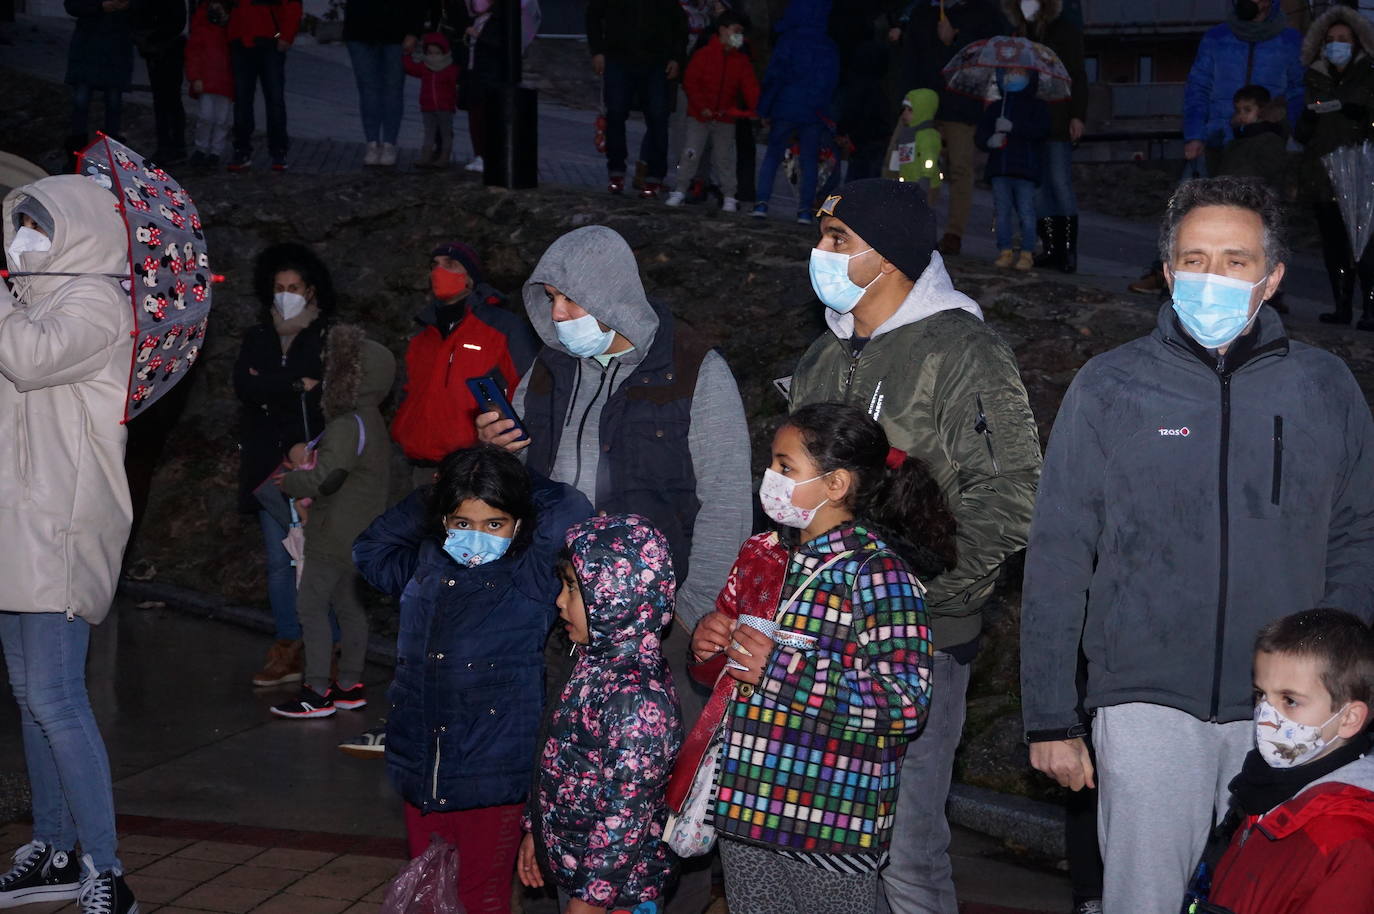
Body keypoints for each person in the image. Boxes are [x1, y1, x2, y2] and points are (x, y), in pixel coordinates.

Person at [1020, 176, 1374, 914]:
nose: (1211, 276)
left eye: (1236, 261)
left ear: (1272, 278)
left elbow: (1357, 535)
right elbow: (1058, 552)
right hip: (1147, 703)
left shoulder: (1325, 387)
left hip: (1290, 710)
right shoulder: (1110, 386)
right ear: (1168, 269)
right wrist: (1051, 716)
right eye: (1194, 258)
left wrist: (1339, 688)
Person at [477, 224, 752, 914]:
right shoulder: (547, 369)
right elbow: (513, 495)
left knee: (656, 796)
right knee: (566, 773)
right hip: (560, 615)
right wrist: (496, 449)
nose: (559, 316)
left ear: (612, 295)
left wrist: (685, 619)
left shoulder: (693, 370)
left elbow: (724, 505)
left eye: (570, 301)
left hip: (656, 630)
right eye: (550, 301)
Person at [788, 179, 1041, 914]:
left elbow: (1012, 491)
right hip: (816, 638)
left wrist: (923, 600)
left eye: (838, 239)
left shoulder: (963, 351)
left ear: (890, 255)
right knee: (818, 838)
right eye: (823, 236)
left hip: (920, 643)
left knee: (904, 849)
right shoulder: (823, 353)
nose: (821, 253)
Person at [690, 403, 945, 913]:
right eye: (773, 464)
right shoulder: (763, 553)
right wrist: (711, 645)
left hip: (829, 821)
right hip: (748, 809)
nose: (771, 479)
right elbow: (727, 673)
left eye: (786, 467)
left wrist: (781, 668)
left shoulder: (878, 575)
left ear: (836, 485)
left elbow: (905, 702)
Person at [353, 447, 591, 914]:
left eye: (494, 524)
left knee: (479, 898)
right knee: (427, 891)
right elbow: (371, 548)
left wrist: (500, 473)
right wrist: (442, 491)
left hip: (492, 779)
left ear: (518, 523)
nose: (477, 537)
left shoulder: (528, 577)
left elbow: (573, 507)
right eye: (462, 523)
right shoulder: (423, 566)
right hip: (422, 770)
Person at [0, 176, 139, 913]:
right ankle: (54, 848)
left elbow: (29, 358)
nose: (22, 237)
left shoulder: (96, 302)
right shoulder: (28, 301)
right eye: (18, 222)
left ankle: (106, 871)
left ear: (78, 229)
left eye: (36, 225)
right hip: (15, 522)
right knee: (29, 695)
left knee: (56, 697)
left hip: (59, 523)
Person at [518, 515, 683, 914]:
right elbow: (553, 757)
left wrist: (590, 900)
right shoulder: (592, 666)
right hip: (575, 869)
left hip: (618, 893)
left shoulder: (636, 699)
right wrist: (535, 831)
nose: (559, 600)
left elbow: (625, 815)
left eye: (572, 588)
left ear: (616, 597)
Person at [1194, 608, 1374, 913]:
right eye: (1261, 695)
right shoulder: (1262, 792)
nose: (1265, 717)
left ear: (1349, 718)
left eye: (1289, 701)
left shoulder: (1350, 841)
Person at [270, 325, 395, 719]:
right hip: (361, 533)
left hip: (333, 533)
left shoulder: (347, 423)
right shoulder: (372, 420)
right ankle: (350, 685)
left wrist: (290, 481)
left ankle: (317, 691)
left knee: (311, 607)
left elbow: (327, 478)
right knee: (350, 608)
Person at [233, 243, 335, 688]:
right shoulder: (257, 338)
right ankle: (288, 645)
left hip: (309, 463)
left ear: (310, 290)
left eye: (293, 287)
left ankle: (327, 646)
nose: (286, 294)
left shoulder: (326, 336)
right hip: (265, 468)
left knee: (316, 559)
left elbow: (327, 394)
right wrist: (295, 384)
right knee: (279, 561)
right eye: (279, 288)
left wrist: (277, 387)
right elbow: (244, 387)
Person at [390, 241, 538, 488]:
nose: (439, 272)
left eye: (450, 265)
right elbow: (407, 394)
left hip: (475, 469)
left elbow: (526, 389)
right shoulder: (423, 337)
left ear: (471, 276)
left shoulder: (502, 328)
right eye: (434, 265)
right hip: (419, 468)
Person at [890, 0, 1008, 256]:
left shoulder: (984, 13)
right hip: (923, 101)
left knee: (960, 167)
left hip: (962, 102)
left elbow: (995, 52)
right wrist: (905, 100)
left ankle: (954, 233)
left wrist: (956, 39)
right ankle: (915, 226)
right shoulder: (924, 11)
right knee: (913, 162)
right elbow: (910, 59)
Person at [1294, 5, 1374, 329]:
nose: (1336, 44)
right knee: (1334, 244)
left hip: (1362, 172)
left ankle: (1369, 310)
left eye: (1343, 38)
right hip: (1323, 173)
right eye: (1330, 39)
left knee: (1365, 243)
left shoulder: (1369, 73)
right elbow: (1300, 132)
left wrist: (1363, 117)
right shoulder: (1314, 76)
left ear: (1357, 42)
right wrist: (1308, 121)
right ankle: (1341, 306)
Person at [1006, 0, 1087, 273]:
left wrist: (1077, 115)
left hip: (1057, 118)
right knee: (1038, 186)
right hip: (1028, 123)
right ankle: (1051, 249)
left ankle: (1068, 252)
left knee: (1059, 182)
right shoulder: (1016, 34)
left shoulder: (1064, 30)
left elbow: (1077, 73)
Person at [1183, 0, 1303, 181]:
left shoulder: (1290, 41)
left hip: (1267, 146)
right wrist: (1194, 135)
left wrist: (1298, 135)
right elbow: (1197, 89)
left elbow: (1297, 92)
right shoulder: (1216, 38)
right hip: (1218, 143)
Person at [587, 0, 688, 198]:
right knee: (615, 113)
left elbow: (679, 24)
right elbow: (593, 15)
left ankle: (654, 176)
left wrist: (676, 57)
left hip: (655, 60)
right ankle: (616, 171)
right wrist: (598, 50)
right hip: (619, 57)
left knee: (658, 117)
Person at [751, 0, 838, 223]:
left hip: (785, 106)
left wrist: (764, 109)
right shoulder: (828, 45)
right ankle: (804, 211)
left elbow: (774, 77)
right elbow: (831, 82)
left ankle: (761, 203)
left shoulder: (788, 41)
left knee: (773, 154)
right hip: (814, 110)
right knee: (809, 160)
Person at [664, 12, 759, 213]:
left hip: (725, 118)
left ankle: (729, 196)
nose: (739, 36)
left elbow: (749, 87)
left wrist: (756, 108)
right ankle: (680, 189)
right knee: (691, 152)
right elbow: (691, 83)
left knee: (724, 157)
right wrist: (701, 107)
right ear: (723, 30)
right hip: (700, 116)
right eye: (736, 31)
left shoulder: (740, 61)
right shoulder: (704, 55)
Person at [975, 68, 1049, 271]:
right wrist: (990, 140)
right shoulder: (997, 107)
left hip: (1026, 169)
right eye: (1008, 73)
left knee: (1026, 212)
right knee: (1002, 212)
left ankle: (1027, 252)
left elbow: (1042, 131)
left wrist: (1013, 128)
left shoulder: (1037, 107)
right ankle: (1005, 250)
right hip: (1000, 168)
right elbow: (981, 134)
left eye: (1018, 73)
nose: (1012, 76)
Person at [344, 0, 422, 168]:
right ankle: (372, 143)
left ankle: (389, 144)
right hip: (359, 30)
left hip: (396, 31)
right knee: (368, 89)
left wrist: (414, 31)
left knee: (392, 89)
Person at [226, 0, 302, 171]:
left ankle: (274, 150)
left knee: (267, 99)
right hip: (245, 39)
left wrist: (286, 35)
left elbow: (291, 6)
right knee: (247, 100)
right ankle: (247, 149)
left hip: (265, 39)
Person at [62, 0, 133, 160]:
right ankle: (77, 154)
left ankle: (111, 154)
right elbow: (72, 6)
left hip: (116, 48)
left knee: (113, 102)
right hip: (88, 48)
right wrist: (99, 7)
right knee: (81, 102)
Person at [131, 0, 188, 164]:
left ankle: (174, 146)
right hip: (157, 49)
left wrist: (150, 38)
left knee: (169, 99)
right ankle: (169, 145)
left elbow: (177, 22)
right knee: (164, 100)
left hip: (167, 48)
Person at [184, 0, 234, 168]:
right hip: (207, 78)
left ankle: (215, 151)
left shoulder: (231, 27)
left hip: (225, 80)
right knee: (205, 116)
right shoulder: (203, 25)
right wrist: (195, 77)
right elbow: (194, 52)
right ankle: (202, 147)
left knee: (222, 118)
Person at [403, 32, 460, 168]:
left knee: (445, 133)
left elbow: (456, 85)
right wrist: (406, 55)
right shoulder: (425, 67)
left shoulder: (450, 69)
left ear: (444, 52)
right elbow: (410, 68)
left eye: (437, 53)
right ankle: (426, 156)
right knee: (429, 132)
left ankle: (444, 157)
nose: (433, 57)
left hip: (445, 107)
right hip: (428, 106)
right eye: (430, 53)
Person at [1217, 84, 1289, 191]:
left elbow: (1266, 174)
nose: (1241, 115)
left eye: (1247, 110)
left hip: (1257, 199)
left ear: (1262, 110)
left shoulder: (1270, 139)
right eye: (1238, 111)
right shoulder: (1238, 140)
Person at [882, 89, 942, 197]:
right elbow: (900, 156)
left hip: (925, 185)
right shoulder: (906, 133)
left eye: (910, 110)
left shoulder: (927, 136)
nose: (905, 113)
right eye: (904, 109)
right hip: (908, 182)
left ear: (922, 111)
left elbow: (929, 160)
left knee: (921, 212)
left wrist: (925, 179)